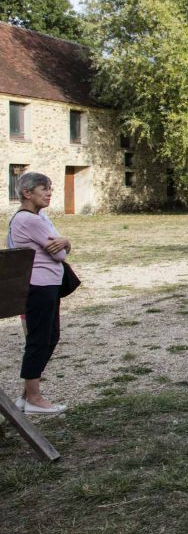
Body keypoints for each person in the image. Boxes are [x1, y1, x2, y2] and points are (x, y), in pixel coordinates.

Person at [7, 172, 72, 415]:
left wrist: (65, 241)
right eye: (44, 189)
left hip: (47, 284)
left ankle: (27, 395)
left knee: (50, 337)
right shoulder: (30, 220)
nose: (49, 193)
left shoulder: (39, 216)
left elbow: (61, 245)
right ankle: (34, 397)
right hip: (39, 285)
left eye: (50, 188)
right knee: (39, 340)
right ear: (27, 193)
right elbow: (59, 254)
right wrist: (64, 244)